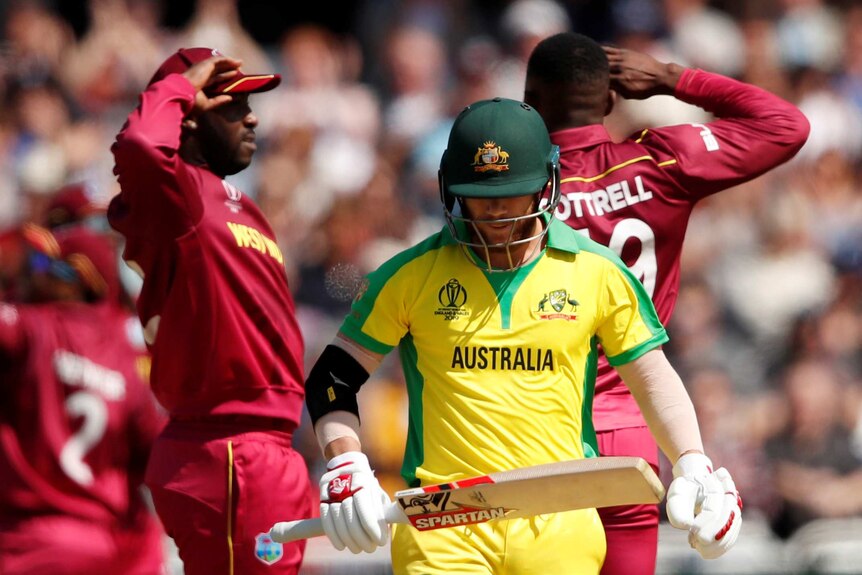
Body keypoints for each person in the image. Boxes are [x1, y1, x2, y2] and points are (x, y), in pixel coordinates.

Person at [300, 97, 741, 574]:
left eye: (511, 194)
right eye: (480, 196)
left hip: (560, 522)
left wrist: (695, 464)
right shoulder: (410, 275)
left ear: (547, 184)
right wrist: (345, 465)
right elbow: (332, 377)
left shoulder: (597, 272)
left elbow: (653, 379)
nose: (495, 213)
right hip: (442, 525)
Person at [522, 33, 810, 575]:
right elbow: (786, 125)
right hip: (633, 428)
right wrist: (674, 77)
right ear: (610, 99)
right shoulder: (658, 161)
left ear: (529, 104)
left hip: (535, 430)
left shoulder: (511, 193)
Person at [108, 48, 313, 574]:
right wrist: (181, 88)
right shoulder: (176, 197)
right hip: (227, 451)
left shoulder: (235, 202)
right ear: (190, 115)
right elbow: (138, 145)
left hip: (264, 450)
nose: (253, 116)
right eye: (233, 103)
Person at [0, 224, 165, 575]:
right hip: (104, 549)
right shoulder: (129, 361)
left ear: (74, 278)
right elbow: (154, 456)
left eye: (45, 266)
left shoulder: (32, 326)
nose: (33, 275)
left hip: (27, 544)